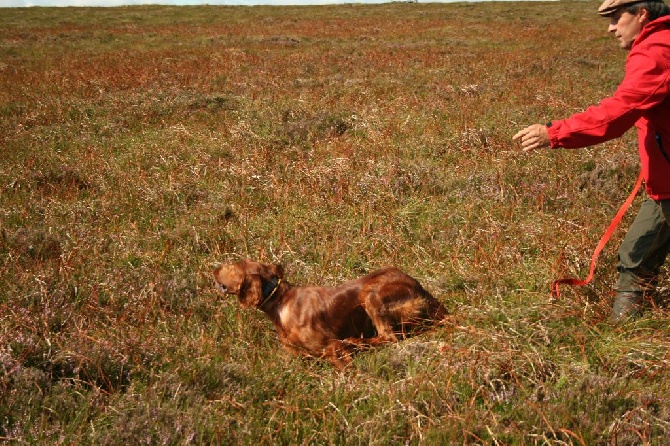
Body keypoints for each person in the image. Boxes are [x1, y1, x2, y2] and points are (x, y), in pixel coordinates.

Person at [513, 0, 670, 322]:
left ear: (641, 14)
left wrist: (555, 133)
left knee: (637, 256)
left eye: (615, 17)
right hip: (666, 183)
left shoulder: (657, 50)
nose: (611, 27)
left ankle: (626, 338)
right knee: (637, 256)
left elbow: (619, 112)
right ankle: (628, 334)